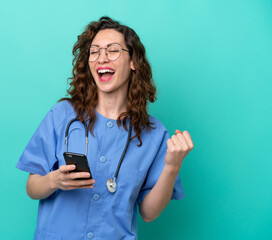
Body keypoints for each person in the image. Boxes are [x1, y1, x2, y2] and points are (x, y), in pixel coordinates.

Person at [16, 16, 194, 240]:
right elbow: (32, 188)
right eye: (94, 51)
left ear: (134, 62)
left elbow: (148, 213)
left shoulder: (154, 133)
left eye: (112, 50)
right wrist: (54, 181)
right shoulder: (62, 115)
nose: (102, 58)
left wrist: (172, 166)